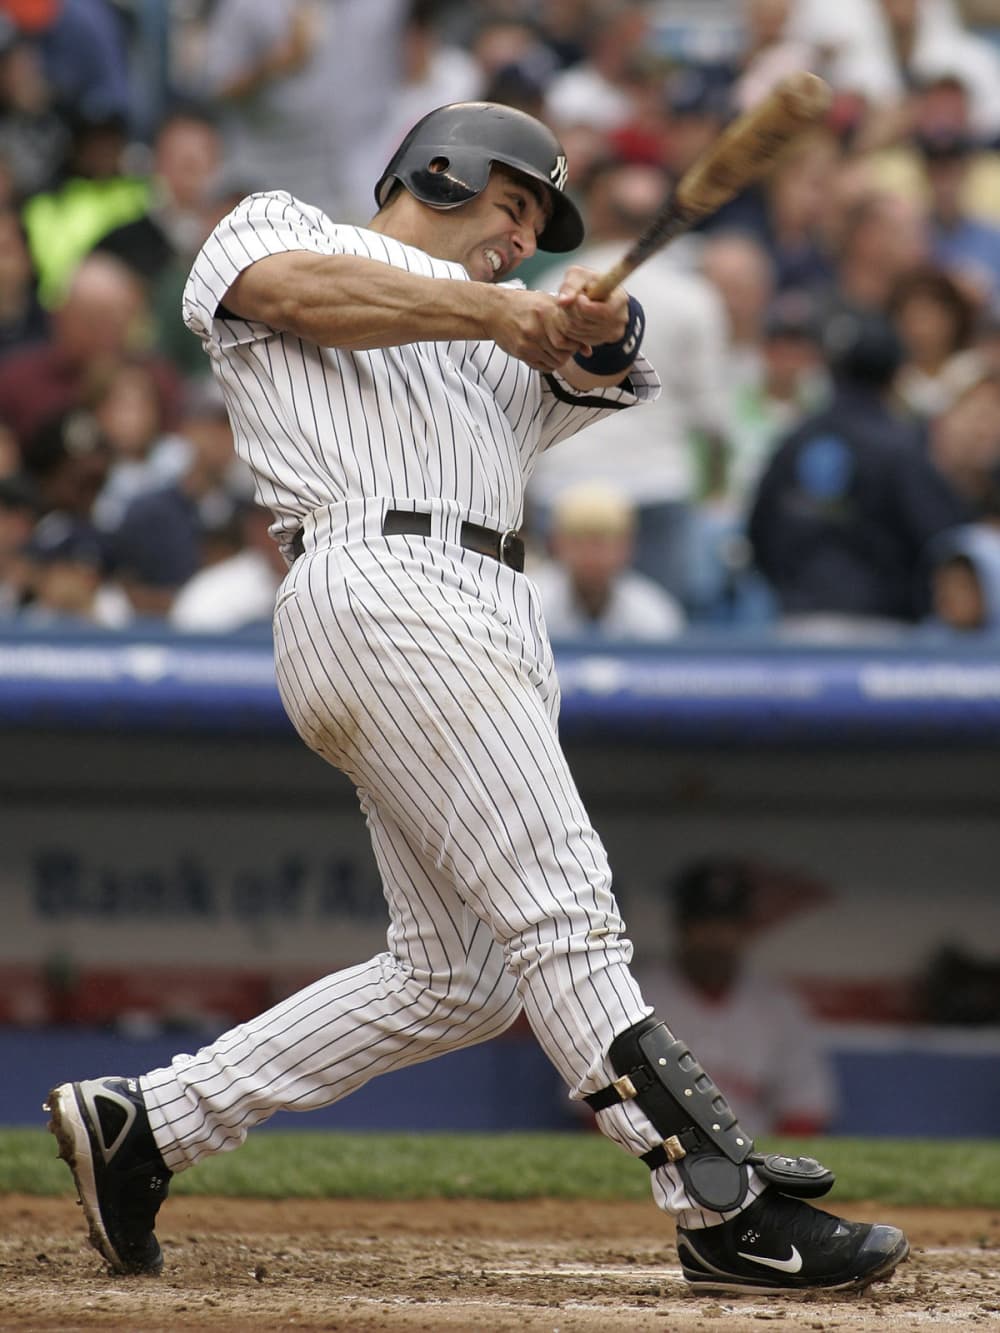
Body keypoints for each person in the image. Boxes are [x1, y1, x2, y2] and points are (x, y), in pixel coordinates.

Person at [46, 100, 909, 1298]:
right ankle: (717, 1198)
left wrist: (595, 324)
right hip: (383, 580)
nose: (522, 241)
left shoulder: (508, 345)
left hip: (476, 607)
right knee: (565, 907)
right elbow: (303, 292)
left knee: (459, 976)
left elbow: (597, 369)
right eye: (513, 206)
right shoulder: (281, 225)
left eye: (539, 226)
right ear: (441, 170)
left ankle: (153, 1123)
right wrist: (503, 308)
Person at [748, 307, 969, 638]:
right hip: (884, 635)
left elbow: (758, 531)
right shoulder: (903, 448)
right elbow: (942, 539)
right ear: (895, 373)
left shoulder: (796, 440)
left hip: (796, 630)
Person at [636, 859, 838, 1136]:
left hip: (753, 1160)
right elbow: (595, 1107)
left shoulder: (778, 1007)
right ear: (682, 928)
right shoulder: (636, 998)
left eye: (726, 925)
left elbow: (806, 1110)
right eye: (703, 924)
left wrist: (769, 1169)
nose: (715, 938)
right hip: (655, 1157)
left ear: (745, 931)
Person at [529, 481, 685, 642]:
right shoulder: (528, 604)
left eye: (602, 543)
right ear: (556, 544)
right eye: (579, 542)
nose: (591, 555)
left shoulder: (654, 614)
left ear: (627, 546)